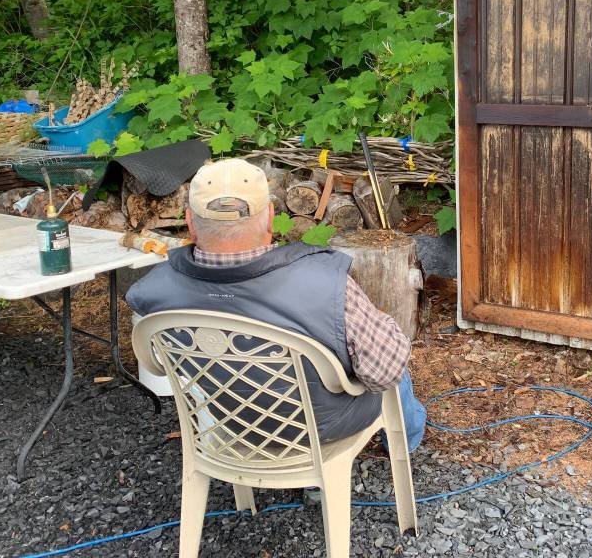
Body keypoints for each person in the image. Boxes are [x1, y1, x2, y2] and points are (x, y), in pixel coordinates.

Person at [126, 157, 427, 451]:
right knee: (384, 345)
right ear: (270, 217)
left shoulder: (154, 291)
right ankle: (406, 441)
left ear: (190, 222)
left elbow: (157, 366)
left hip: (227, 423)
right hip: (321, 428)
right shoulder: (324, 282)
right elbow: (384, 373)